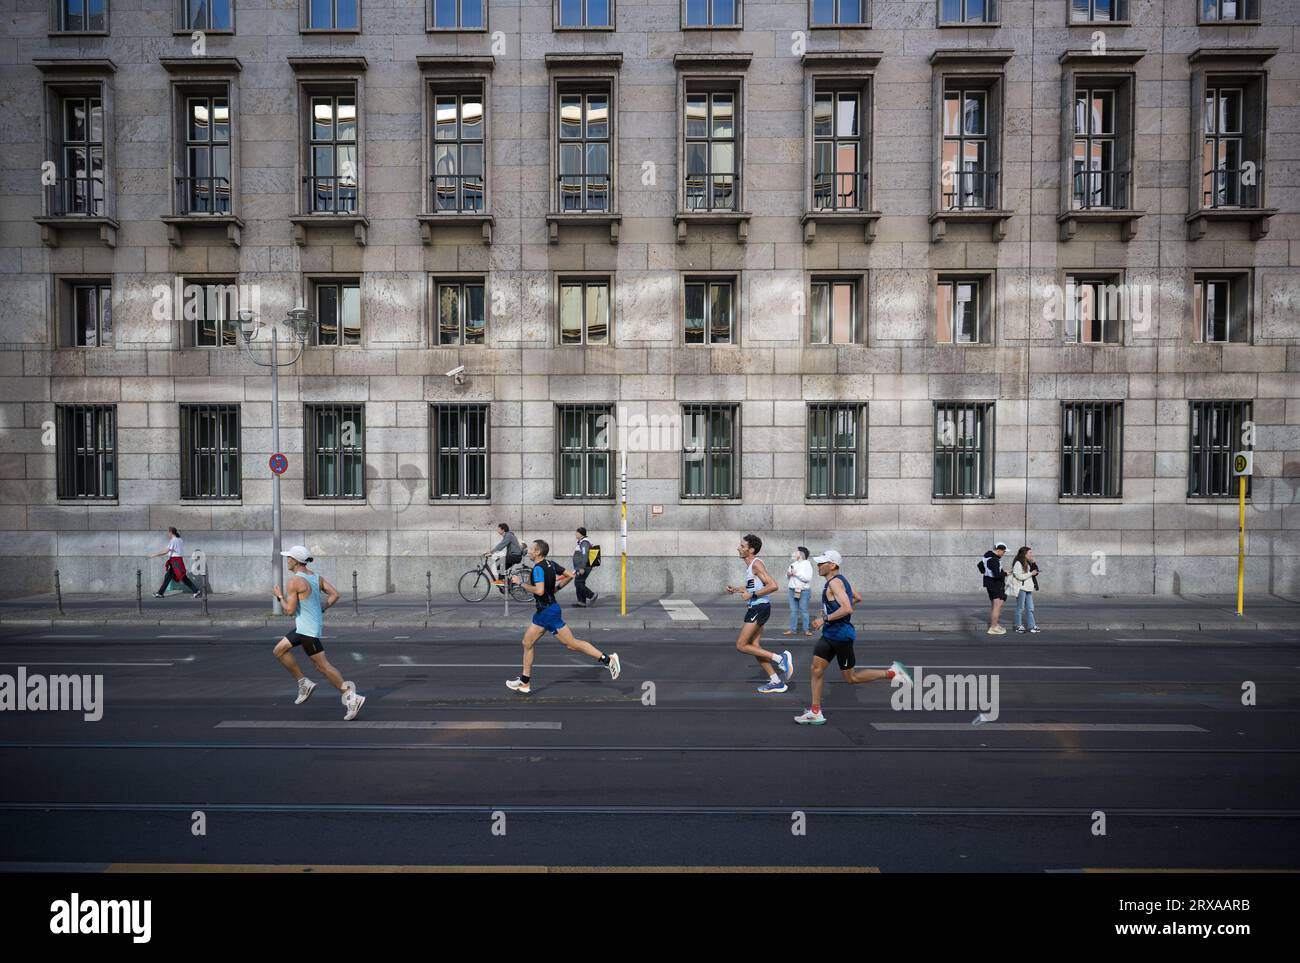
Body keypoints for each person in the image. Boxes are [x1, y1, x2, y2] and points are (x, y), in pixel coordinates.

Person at [794, 550, 914, 726]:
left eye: (822, 563)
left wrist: (824, 618)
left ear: (832, 565)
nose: (818, 566)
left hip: (841, 636)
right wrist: (833, 610)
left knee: (852, 678)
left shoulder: (835, 583)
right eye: (818, 563)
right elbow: (857, 598)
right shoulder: (839, 580)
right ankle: (815, 711)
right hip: (829, 635)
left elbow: (848, 608)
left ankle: (893, 673)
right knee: (816, 669)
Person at [506, 539, 620, 694]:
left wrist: (520, 583)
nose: (529, 552)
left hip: (548, 612)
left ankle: (608, 659)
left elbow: (539, 591)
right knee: (527, 642)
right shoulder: (550, 564)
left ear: (538, 552)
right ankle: (524, 683)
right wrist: (556, 588)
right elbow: (569, 575)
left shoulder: (538, 569)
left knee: (571, 644)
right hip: (542, 613)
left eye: (532, 549)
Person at [271, 545, 365, 721]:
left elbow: (290, 611)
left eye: (289, 558)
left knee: (323, 667)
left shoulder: (294, 581)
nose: (287, 561)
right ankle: (303, 682)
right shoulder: (315, 577)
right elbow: (335, 595)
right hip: (304, 628)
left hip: (307, 631)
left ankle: (352, 698)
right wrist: (322, 608)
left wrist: (279, 597)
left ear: (296, 561)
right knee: (279, 650)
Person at [725, 533, 793, 694]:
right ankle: (776, 681)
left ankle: (780, 658)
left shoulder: (756, 565)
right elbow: (752, 587)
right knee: (754, 646)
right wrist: (736, 589)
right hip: (758, 607)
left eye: (742, 546)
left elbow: (773, 585)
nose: (738, 548)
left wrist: (753, 595)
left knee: (741, 645)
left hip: (759, 607)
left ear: (751, 550)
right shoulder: (751, 566)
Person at [149, 527, 200, 599]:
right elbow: (168, 549)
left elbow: (165, 551)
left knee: (183, 577)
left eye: (168, 533)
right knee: (168, 576)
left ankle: (196, 591)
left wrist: (154, 554)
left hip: (175, 561)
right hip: (177, 561)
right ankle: (160, 593)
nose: (168, 534)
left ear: (171, 532)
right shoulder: (180, 540)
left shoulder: (173, 541)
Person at [979, 542, 1010, 635]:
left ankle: (995, 624)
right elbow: (996, 575)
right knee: (997, 606)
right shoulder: (994, 560)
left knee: (995, 605)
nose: (1004, 554)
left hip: (989, 583)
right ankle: (993, 627)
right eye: (1003, 552)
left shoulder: (987, 557)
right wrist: (1005, 573)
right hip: (995, 584)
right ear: (998, 550)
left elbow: (980, 566)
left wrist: (987, 573)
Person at [1010, 546, 1041, 634]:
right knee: (1020, 608)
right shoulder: (1018, 563)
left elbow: (1036, 573)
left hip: (1028, 588)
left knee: (1030, 608)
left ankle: (1031, 626)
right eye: (1030, 553)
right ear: (1025, 554)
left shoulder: (1028, 562)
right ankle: (1018, 626)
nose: (1032, 554)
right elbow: (1019, 576)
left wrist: (1034, 563)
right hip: (1021, 588)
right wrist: (1031, 573)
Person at [785, 546, 813, 637]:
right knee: (793, 611)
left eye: (796, 552)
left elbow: (807, 578)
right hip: (792, 590)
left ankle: (806, 630)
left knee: (804, 610)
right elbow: (787, 576)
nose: (794, 553)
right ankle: (792, 629)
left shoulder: (807, 564)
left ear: (801, 554)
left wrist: (796, 573)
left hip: (803, 590)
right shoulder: (793, 564)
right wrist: (789, 574)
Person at [486, 522, 523, 587]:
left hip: (515, 556)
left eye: (498, 529)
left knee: (499, 562)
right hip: (514, 556)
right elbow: (502, 546)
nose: (497, 530)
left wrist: (491, 552)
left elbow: (501, 545)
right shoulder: (508, 535)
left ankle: (502, 582)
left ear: (502, 530)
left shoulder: (508, 536)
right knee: (501, 565)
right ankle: (508, 583)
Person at [572, 526, 597, 607]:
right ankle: (581, 602)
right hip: (580, 567)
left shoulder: (584, 543)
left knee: (578, 583)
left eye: (577, 532)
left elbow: (585, 555)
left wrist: (582, 567)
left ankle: (591, 595)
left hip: (584, 567)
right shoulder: (581, 542)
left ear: (580, 533)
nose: (575, 534)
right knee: (580, 582)